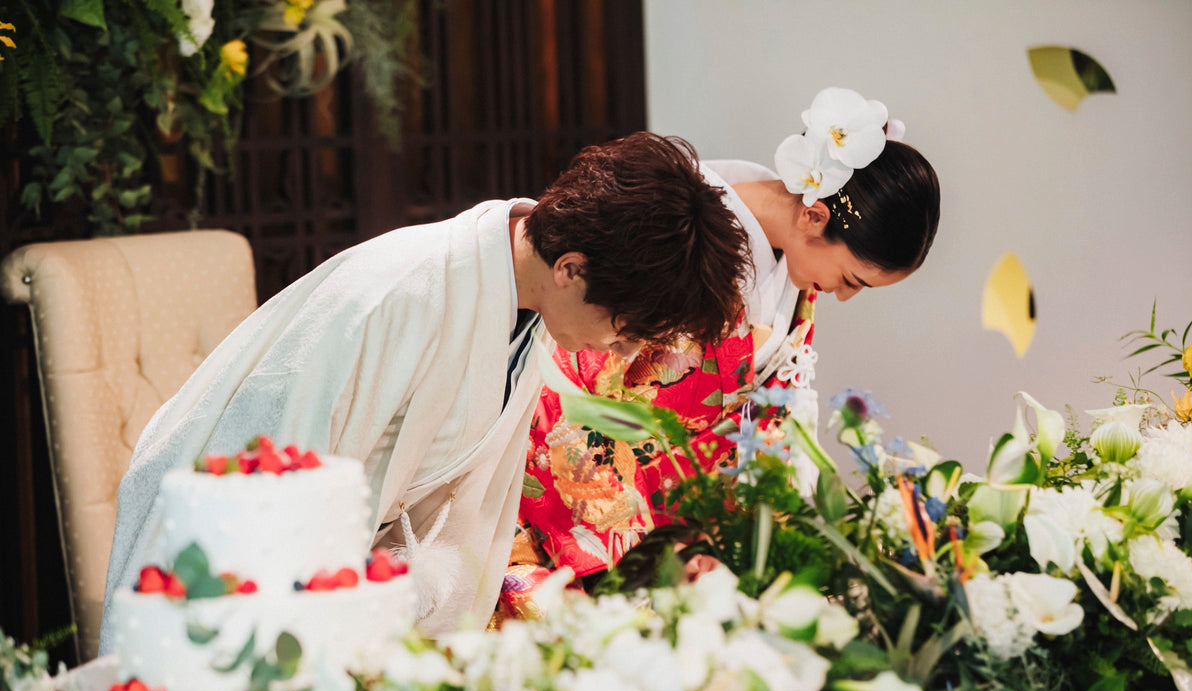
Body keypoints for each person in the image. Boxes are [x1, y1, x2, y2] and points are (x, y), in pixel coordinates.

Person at [99, 132, 751, 654]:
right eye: (627, 328)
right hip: (224, 549)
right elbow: (273, 474)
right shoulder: (401, 297)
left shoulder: (523, 301)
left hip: (346, 579)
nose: (627, 352)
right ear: (571, 267)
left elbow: (457, 509)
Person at [502, 88, 940, 616]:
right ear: (815, 217)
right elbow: (571, 393)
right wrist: (639, 550)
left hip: (687, 529)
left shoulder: (795, 278)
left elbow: (770, 420)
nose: (841, 295)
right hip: (586, 516)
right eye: (851, 279)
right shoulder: (675, 234)